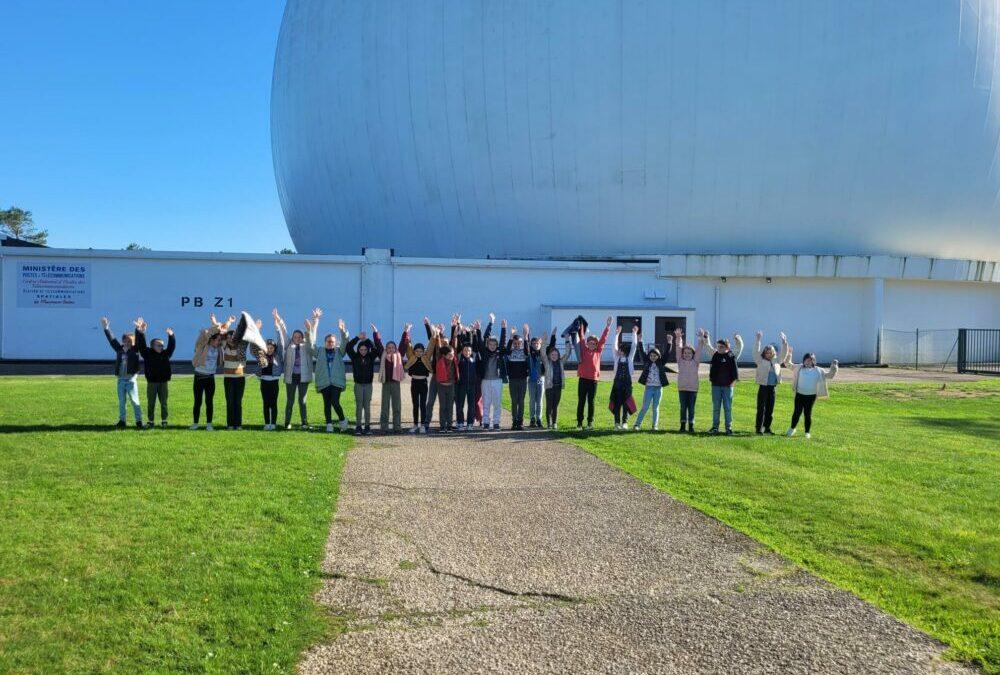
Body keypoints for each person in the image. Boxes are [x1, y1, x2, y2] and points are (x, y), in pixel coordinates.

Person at [309, 310, 350, 432]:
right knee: (326, 403)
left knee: (334, 402)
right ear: (325, 342)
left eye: (332, 341)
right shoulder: (320, 351)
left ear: (335, 342)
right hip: (324, 381)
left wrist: (342, 330)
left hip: (336, 381)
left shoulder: (339, 351)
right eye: (328, 341)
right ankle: (329, 424)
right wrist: (315, 321)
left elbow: (345, 342)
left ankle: (342, 420)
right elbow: (311, 343)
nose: (330, 343)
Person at [275, 308, 316, 430]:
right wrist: (279, 319)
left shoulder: (307, 346)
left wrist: (312, 325)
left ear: (302, 337)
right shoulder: (288, 345)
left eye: (299, 336)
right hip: (291, 377)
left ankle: (304, 423)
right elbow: (283, 331)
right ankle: (287, 423)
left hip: (303, 377)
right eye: (295, 336)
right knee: (290, 401)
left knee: (302, 401)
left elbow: (312, 337)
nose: (297, 338)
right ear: (292, 337)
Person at [100, 316, 143, 429]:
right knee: (122, 402)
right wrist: (106, 328)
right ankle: (122, 420)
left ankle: (139, 422)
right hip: (120, 380)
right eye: (125, 340)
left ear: (133, 342)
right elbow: (111, 339)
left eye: (130, 341)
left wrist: (138, 330)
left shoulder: (135, 350)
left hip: (131, 380)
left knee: (134, 401)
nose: (127, 342)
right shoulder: (119, 349)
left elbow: (139, 341)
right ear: (122, 341)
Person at [786, 351, 839, 439]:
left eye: (810, 360)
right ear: (803, 360)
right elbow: (788, 364)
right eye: (806, 360)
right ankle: (792, 429)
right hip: (799, 395)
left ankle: (807, 432)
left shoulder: (819, 370)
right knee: (796, 413)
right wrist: (789, 354)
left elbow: (830, 375)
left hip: (811, 396)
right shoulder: (798, 367)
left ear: (814, 361)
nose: (808, 362)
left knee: (808, 414)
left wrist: (834, 367)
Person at [191, 314, 230, 430]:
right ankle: (195, 424)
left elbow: (223, 334)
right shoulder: (202, 346)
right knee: (197, 401)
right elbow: (206, 334)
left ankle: (209, 424)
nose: (219, 342)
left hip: (210, 378)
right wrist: (215, 325)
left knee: (209, 401)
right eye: (217, 340)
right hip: (199, 377)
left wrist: (228, 322)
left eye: (219, 340)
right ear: (212, 339)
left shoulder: (219, 348)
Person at [134, 317, 175, 428]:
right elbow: (141, 345)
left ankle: (164, 420)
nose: (161, 347)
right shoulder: (147, 354)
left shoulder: (165, 354)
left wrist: (171, 336)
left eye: (162, 345)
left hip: (163, 382)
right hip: (152, 382)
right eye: (159, 345)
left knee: (164, 403)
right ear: (152, 346)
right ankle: (151, 421)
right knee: (151, 403)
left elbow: (171, 347)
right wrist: (141, 332)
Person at [701, 329, 744, 435]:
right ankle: (715, 427)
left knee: (727, 408)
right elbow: (708, 346)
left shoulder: (731, 355)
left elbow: (739, 347)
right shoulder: (715, 354)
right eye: (718, 346)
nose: (719, 348)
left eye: (721, 347)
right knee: (716, 408)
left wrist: (738, 340)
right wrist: (706, 337)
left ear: (727, 347)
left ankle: (728, 428)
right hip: (715, 385)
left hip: (728, 386)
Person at [576, 316, 612, 430]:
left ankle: (590, 422)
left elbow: (603, 339)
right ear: (587, 343)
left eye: (594, 343)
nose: (592, 344)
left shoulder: (598, 351)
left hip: (593, 380)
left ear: (596, 345)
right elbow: (581, 337)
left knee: (591, 401)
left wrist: (608, 326)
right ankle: (579, 423)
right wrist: (581, 327)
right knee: (581, 401)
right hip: (583, 379)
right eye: (590, 343)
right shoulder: (584, 349)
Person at [752, 330, 790, 435]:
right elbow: (755, 352)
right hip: (763, 388)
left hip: (772, 388)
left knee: (770, 410)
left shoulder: (776, 360)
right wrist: (758, 340)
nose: (769, 354)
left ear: (773, 353)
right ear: (764, 353)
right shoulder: (760, 360)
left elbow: (784, 354)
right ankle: (758, 429)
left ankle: (767, 428)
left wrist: (784, 342)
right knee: (761, 409)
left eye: (771, 353)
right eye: (767, 353)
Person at [346, 325, 381, 435]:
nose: (363, 351)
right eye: (361, 349)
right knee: (359, 405)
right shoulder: (354, 357)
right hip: (358, 385)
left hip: (368, 385)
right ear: (358, 349)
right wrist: (358, 338)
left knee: (367, 406)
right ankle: (358, 426)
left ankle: (367, 426)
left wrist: (367, 340)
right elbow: (348, 347)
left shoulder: (371, 356)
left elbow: (377, 348)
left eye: (365, 349)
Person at [252, 314, 284, 430]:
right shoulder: (261, 355)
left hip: (274, 382)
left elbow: (281, 342)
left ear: (274, 348)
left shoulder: (278, 355)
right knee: (266, 403)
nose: (269, 349)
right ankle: (267, 423)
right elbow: (255, 344)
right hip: (264, 382)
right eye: (267, 347)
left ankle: (273, 423)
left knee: (273, 403)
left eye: (271, 348)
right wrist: (257, 330)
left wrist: (277, 327)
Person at [633, 338, 670, 431]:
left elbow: (667, 354)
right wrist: (640, 340)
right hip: (649, 388)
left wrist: (669, 342)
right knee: (645, 407)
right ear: (649, 356)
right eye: (651, 355)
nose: (653, 357)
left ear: (658, 356)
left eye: (655, 356)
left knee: (655, 408)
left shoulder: (661, 363)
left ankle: (654, 426)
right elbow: (642, 352)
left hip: (658, 389)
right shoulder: (647, 362)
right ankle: (637, 424)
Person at [478, 313, 507, 430]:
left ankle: (496, 422)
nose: (492, 346)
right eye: (490, 344)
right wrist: (491, 322)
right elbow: (485, 337)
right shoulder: (485, 352)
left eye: (495, 344)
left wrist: (504, 328)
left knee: (497, 403)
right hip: (485, 380)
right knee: (486, 403)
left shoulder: (499, 353)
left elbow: (503, 342)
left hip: (497, 380)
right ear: (488, 344)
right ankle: (485, 422)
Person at [673, 328, 704, 432]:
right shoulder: (680, 361)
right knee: (683, 408)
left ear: (693, 354)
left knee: (691, 408)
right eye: (685, 353)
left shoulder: (696, 362)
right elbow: (678, 348)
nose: (687, 355)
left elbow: (699, 349)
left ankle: (691, 426)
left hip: (693, 389)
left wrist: (700, 338)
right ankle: (682, 426)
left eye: (689, 353)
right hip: (682, 388)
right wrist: (678, 338)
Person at [609, 324, 639, 429]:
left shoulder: (630, 358)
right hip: (617, 383)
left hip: (627, 383)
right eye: (619, 350)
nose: (619, 351)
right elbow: (614, 346)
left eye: (621, 350)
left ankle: (625, 422)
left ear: (625, 351)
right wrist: (617, 334)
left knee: (626, 403)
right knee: (617, 403)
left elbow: (634, 345)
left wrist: (634, 333)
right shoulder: (616, 358)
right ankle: (617, 423)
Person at [378, 326, 407, 433]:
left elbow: (403, 345)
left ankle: (397, 427)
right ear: (386, 349)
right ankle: (384, 427)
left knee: (397, 406)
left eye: (392, 347)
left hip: (395, 384)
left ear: (395, 349)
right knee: (384, 407)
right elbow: (378, 344)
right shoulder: (383, 355)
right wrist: (376, 332)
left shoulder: (399, 355)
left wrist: (405, 332)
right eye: (389, 347)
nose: (390, 349)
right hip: (386, 383)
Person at [540, 328, 571, 429]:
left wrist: (567, 340)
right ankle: (549, 423)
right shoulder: (547, 362)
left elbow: (568, 353)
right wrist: (544, 341)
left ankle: (554, 423)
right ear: (549, 355)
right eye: (552, 355)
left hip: (558, 387)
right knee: (549, 405)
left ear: (558, 355)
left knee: (555, 406)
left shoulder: (561, 362)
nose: (554, 356)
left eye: (556, 354)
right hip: (549, 387)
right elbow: (543, 353)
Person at [404, 326, 433, 433]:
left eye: (421, 351)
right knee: (415, 404)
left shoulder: (426, 357)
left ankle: (423, 425)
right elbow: (409, 345)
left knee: (422, 404)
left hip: (423, 382)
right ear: (414, 351)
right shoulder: (412, 357)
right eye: (417, 351)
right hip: (414, 382)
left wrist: (430, 329)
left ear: (423, 352)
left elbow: (431, 345)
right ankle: (415, 424)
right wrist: (407, 332)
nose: (419, 353)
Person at [455, 323, 482, 430]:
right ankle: (460, 422)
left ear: (471, 352)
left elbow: (474, 344)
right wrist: (459, 329)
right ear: (462, 351)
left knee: (471, 405)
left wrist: (473, 332)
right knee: (460, 405)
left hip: (472, 385)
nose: (467, 352)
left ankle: (470, 423)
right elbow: (459, 344)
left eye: (469, 350)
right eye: (465, 350)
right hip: (461, 385)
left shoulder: (474, 357)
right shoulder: (459, 357)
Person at [505, 324, 530, 430]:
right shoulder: (510, 353)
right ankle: (514, 421)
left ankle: (520, 422)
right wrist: (511, 336)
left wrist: (525, 336)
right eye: (515, 343)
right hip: (513, 380)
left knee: (521, 401)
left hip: (523, 380)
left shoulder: (524, 352)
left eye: (519, 343)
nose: (517, 345)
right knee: (514, 401)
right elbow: (507, 350)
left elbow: (527, 350)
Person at [433, 343, 460, 431]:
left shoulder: (455, 360)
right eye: (449, 354)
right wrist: (437, 334)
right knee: (443, 406)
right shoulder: (440, 360)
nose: (452, 355)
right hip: (441, 386)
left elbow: (454, 345)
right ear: (444, 355)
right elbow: (438, 348)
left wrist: (455, 332)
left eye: (452, 354)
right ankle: (442, 425)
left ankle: (449, 425)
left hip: (451, 386)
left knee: (450, 406)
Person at [527, 331, 545, 428]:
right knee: (532, 400)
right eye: (533, 344)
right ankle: (532, 419)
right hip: (531, 380)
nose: (535, 345)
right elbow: (528, 345)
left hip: (541, 379)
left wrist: (544, 341)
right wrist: (527, 334)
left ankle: (539, 418)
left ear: (540, 344)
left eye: (537, 343)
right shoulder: (530, 354)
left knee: (539, 400)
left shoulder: (543, 354)